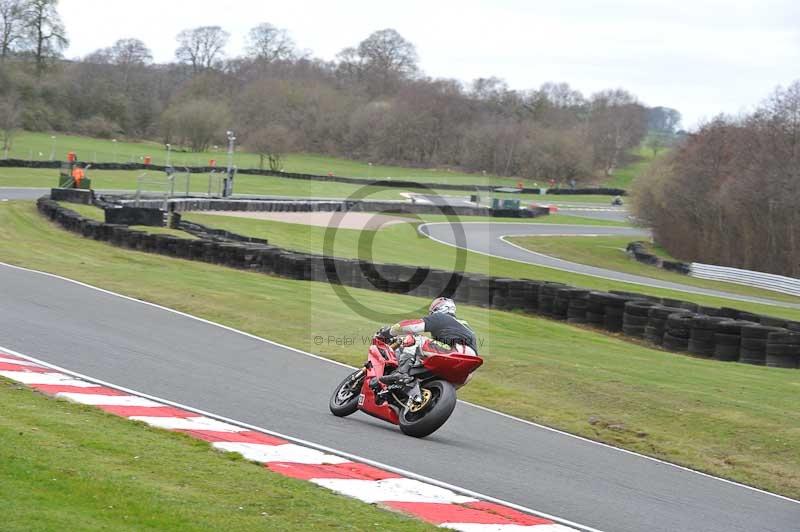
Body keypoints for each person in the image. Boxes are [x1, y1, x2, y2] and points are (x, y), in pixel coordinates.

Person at [378, 297, 478, 384]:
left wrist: (388, 332)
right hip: (468, 367)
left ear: (439, 308)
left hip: (455, 352)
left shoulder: (441, 317)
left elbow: (412, 327)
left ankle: (401, 373)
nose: (431, 313)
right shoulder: (465, 326)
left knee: (414, 338)